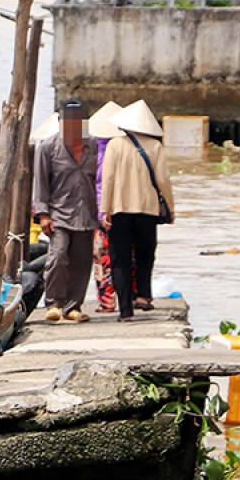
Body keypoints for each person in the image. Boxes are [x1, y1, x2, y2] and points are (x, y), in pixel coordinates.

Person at [100, 100, 176, 321]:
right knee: (145, 254)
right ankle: (143, 295)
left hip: (119, 209)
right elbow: (163, 180)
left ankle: (125, 311)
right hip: (148, 210)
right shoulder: (155, 147)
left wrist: (105, 209)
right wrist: (171, 209)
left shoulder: (115, 145)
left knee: (120, 259)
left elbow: (109, 179)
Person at [32, 99, 99, 323]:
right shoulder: (48, 147)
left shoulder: (93, 145)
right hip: (59, 213)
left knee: (81, 263)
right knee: (58, 256)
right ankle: (53, 303)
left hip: (86, 213)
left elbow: (100, 180)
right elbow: (40, 182)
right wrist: (43, 214)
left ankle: (73, 306)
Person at [87, 101, 125, 314]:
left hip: (98, 211)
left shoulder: (92, 151)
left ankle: (107, 302)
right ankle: (128, 298)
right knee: (125, 256)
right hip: (123, 209)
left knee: (102, 258)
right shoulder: (126, 149)